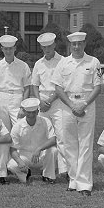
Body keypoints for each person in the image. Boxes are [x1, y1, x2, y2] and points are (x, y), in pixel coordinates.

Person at [51, 31, 102, 195]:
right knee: (70, 144)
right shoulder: (63, 63)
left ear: (85, 44)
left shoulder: (93, 62)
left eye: (80, 43)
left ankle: (85, 184)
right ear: (70, 46)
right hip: (67, 104)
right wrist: (72, 105)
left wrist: (84, 104)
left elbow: (98, 87)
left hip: (87, 103)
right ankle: (73, 180)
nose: (77, 46)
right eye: (74, 44)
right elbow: (58, 87)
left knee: (86, 145)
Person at [31, 32, 67, 177]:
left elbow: (64, 85)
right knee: (42, 135)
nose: (47, 49)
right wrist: (40, 101)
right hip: (42, 102)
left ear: (54, 45)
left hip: (58, 102)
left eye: (49, 46)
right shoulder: (38, 64)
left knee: (61, 136)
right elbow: (34, 85)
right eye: (44, 47)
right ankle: (43, 167)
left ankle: (64, 170)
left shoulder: (63, 61)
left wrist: (50, 100)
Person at [8, 98, 57, 184]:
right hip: (25, 156)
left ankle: (48, 176)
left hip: (42, 155)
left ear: (37, 112)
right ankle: (26, 175)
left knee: (53, 150)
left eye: (33, 112)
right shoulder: (17, 126)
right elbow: (12, 149)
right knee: (11, 165)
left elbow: (53, 140)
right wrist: (20, 162)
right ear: (24, 112)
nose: (31, 115)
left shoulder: (45, 121)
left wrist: (39, 149)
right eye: (28, 112)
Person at [0, 34, 32, 131]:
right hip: (1, 99)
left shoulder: (23, 66)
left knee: (20, 128)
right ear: (2, 49)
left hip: (17, 99)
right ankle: (5, 147)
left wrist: (23, 107)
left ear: (15, 48)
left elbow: (27, 88)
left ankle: (17, 147)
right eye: (6, 49)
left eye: (10, 48)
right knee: (3, 130)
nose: (8, 51)